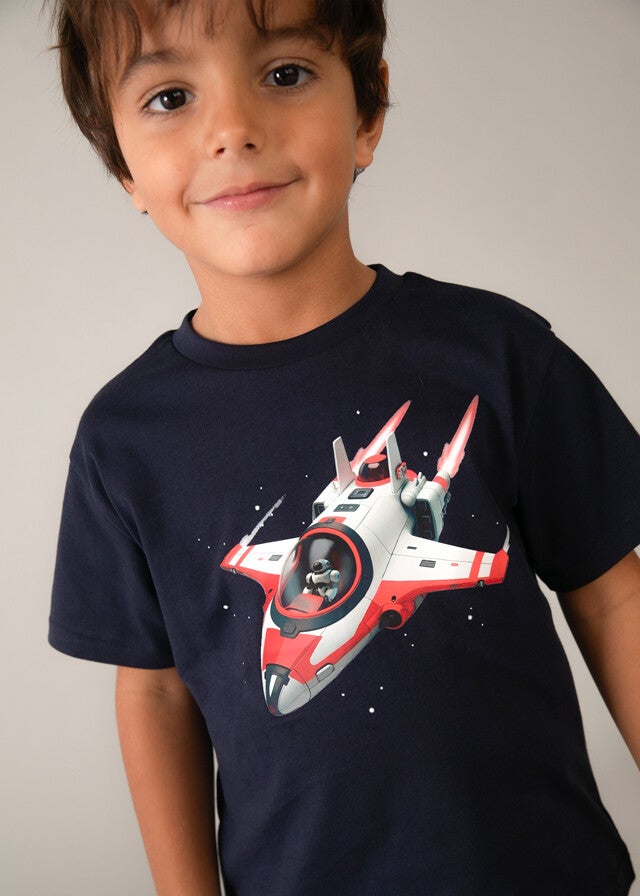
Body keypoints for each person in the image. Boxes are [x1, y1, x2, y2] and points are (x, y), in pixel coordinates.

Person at [48, 1, 640, 894]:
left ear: (366, 112)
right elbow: (156, 690)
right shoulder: (123, 439)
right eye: (170, 96)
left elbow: (612, 594)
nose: (233, 130)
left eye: (284, 74)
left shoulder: (498, 353)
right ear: (121, 163)